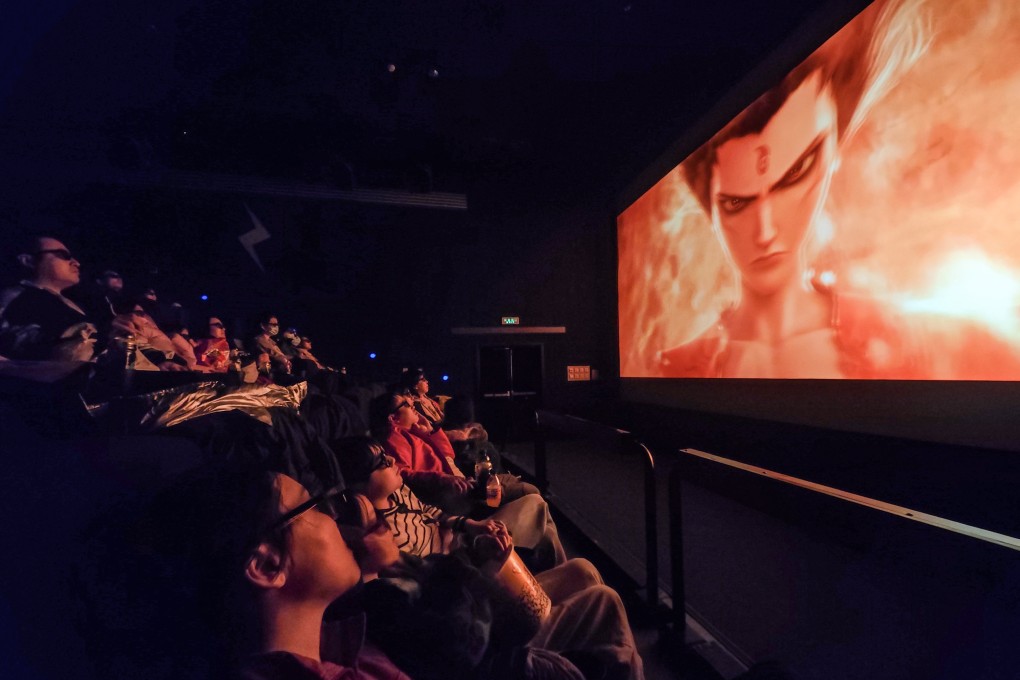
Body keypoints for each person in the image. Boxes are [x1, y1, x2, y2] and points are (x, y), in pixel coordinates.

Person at [657, 0, 948, 379]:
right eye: (736, 203)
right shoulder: (676, 366)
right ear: (709, 209)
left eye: (795, 174)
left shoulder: (910, 338)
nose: (765, 232)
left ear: (832, 156)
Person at [340, 491, 643, 680]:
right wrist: (484, 569)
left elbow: (441, 558)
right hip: (497, 644)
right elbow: (473, 636)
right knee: (604, 600)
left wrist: (475, 557)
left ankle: (598, 652)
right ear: (358, 547)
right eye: (377, 524)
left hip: (482, 606)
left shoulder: (401, 562)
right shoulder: (385, 598)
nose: (386, 524)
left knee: (582, 569)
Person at [335, 437, 566, 575]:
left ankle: (548, 577)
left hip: (463, 537)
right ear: (358, 482)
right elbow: (430, 573)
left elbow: (429, 511)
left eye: (388, 456)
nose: (393, 461)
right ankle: (546, 581)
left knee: (540, 515)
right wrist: (476, 548)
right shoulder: (386, 534)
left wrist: (472, 525)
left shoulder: (397, 490)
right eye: (382, 462)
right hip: (464, 561)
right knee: (534, 501)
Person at [0, 235, 97, 361]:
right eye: (63, 255)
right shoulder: (15, 296)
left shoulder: (76, 303)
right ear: (28, 261)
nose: (76, 263)